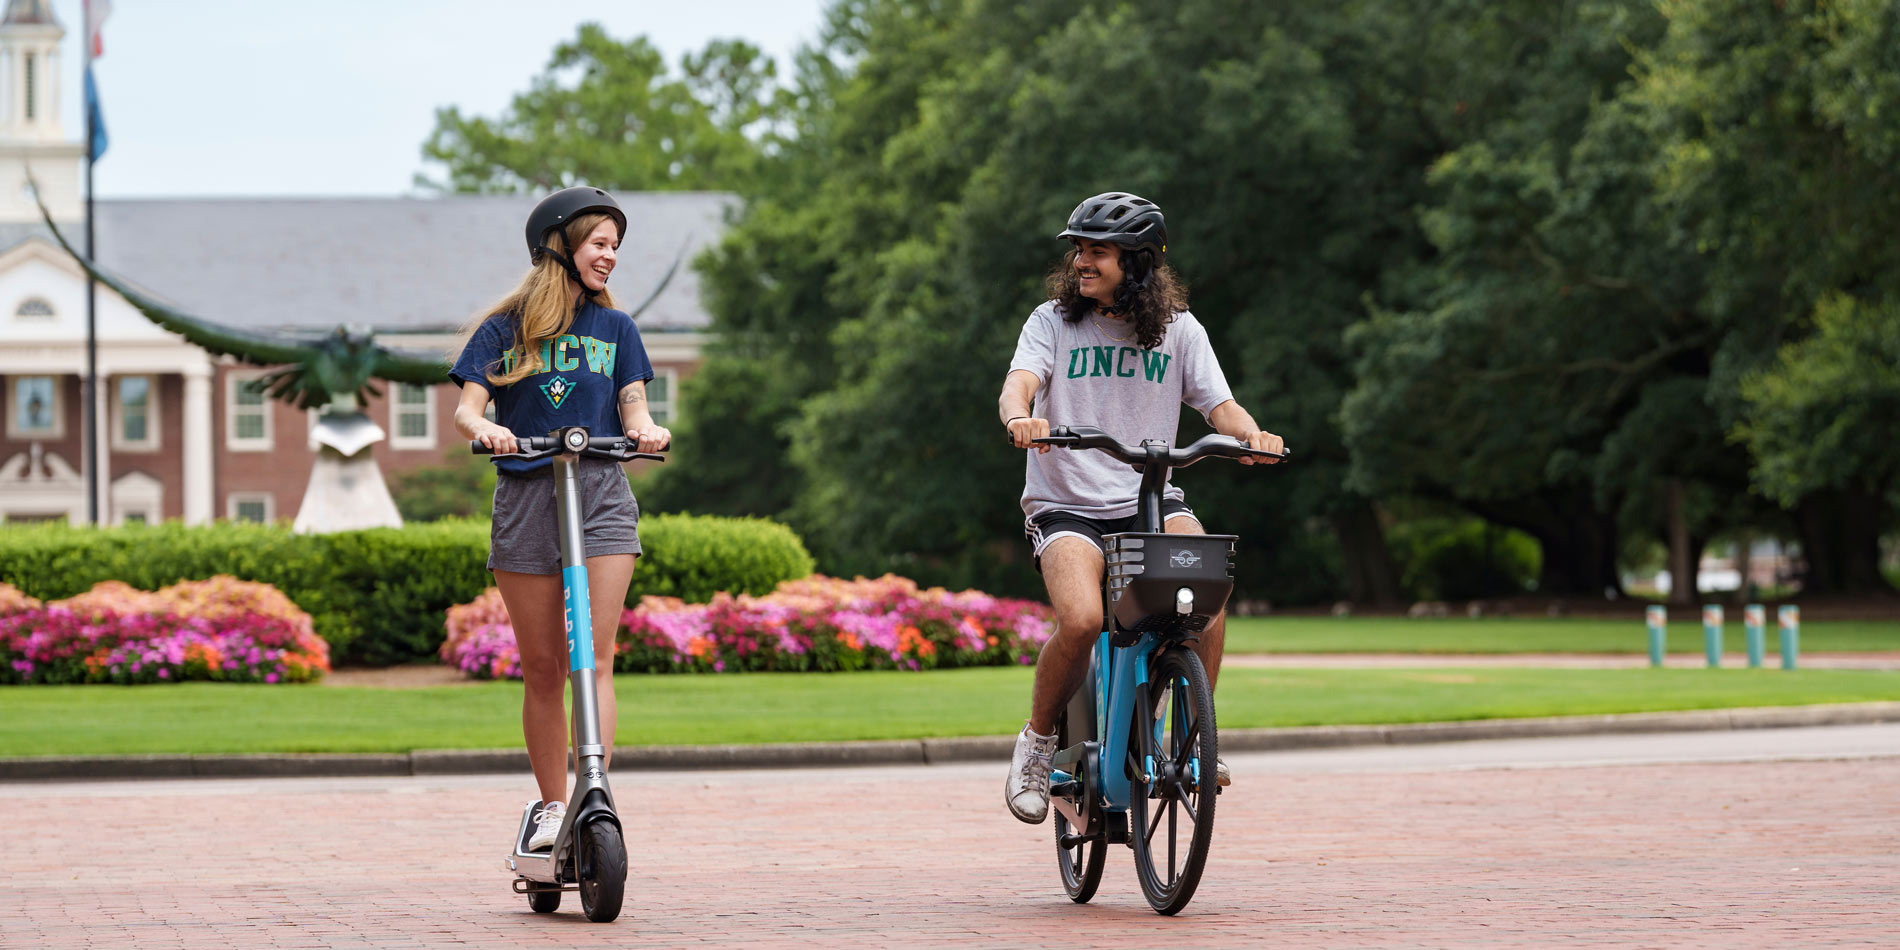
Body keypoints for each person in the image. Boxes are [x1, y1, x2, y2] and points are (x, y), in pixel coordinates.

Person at [997, 191, 1285, 824]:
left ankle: (1193, 740)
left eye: (1097, 252)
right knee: (1080, 620)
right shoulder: (1053, 322)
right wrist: (1020, 416)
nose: (1082, 262)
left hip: (1150, 497)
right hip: (1066, 501)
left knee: (1207, 589)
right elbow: (1020, 382)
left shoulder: (1179, 330)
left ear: (1139, 263)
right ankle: (1038, 745)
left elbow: (1220, 407)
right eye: (1079, 250)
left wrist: (1253, 437)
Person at [450, 186, 670, 850]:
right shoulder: (506, 327)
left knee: (593, 659)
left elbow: (633, 407)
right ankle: (552, 807)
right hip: (524, 494)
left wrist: (648, 429)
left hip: (599, 491)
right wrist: (486, 428)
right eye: (600, 243)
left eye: (615, 246)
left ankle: (593, 791)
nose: (610, 257)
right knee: (544, 666)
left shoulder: (617, 329)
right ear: (560, 246)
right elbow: (467, 408)